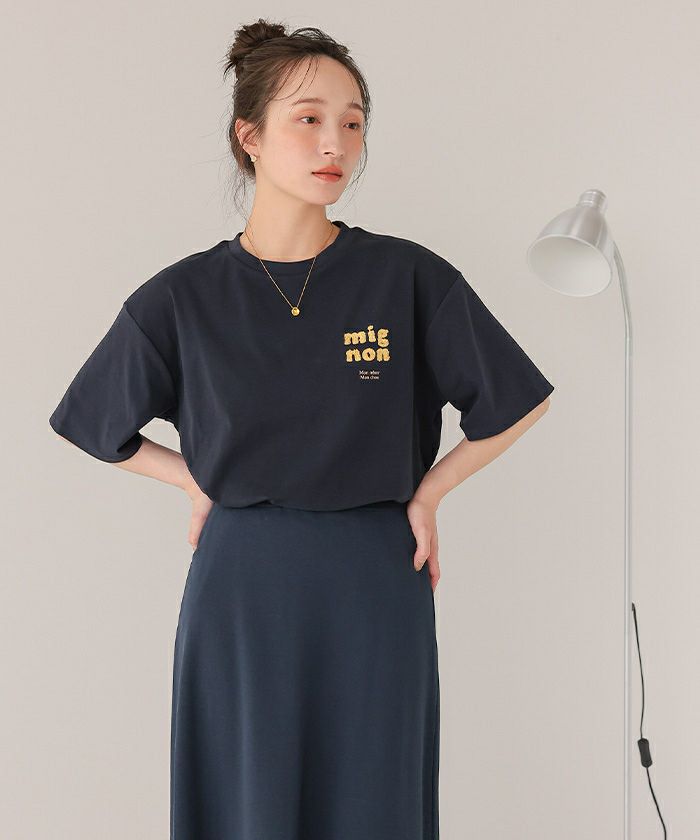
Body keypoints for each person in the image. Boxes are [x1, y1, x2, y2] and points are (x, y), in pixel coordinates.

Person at [48, 19, 554, 840]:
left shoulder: (406, 276)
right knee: (246, 797)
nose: (335, 144)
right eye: (309, 119)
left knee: (373, 796)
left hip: (375, 574)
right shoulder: (183, 296)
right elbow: (92, 418)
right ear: (248, 137)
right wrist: (194, 479)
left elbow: (517, 398)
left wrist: (431, 493)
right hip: (242, 583)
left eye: (353, 123)